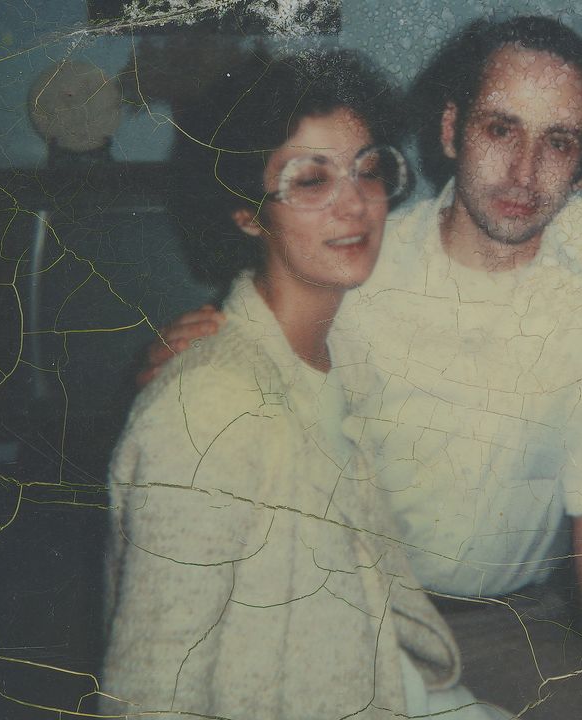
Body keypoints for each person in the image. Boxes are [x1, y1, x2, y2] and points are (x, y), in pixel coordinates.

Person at [142, 18, 582, 720]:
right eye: (500, 129)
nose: (524, 170)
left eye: (558, 142)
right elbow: (268, 324)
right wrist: (194, 348)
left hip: (512, 619)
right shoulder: (366, 258)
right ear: (451, 131)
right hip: (355, 605)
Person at [100, 50, 504, 720]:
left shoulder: (340, 351)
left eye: (369, 169)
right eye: (310, 180)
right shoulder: (207, 407)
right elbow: (150, 688)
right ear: (246, 214)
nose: (355, 203)